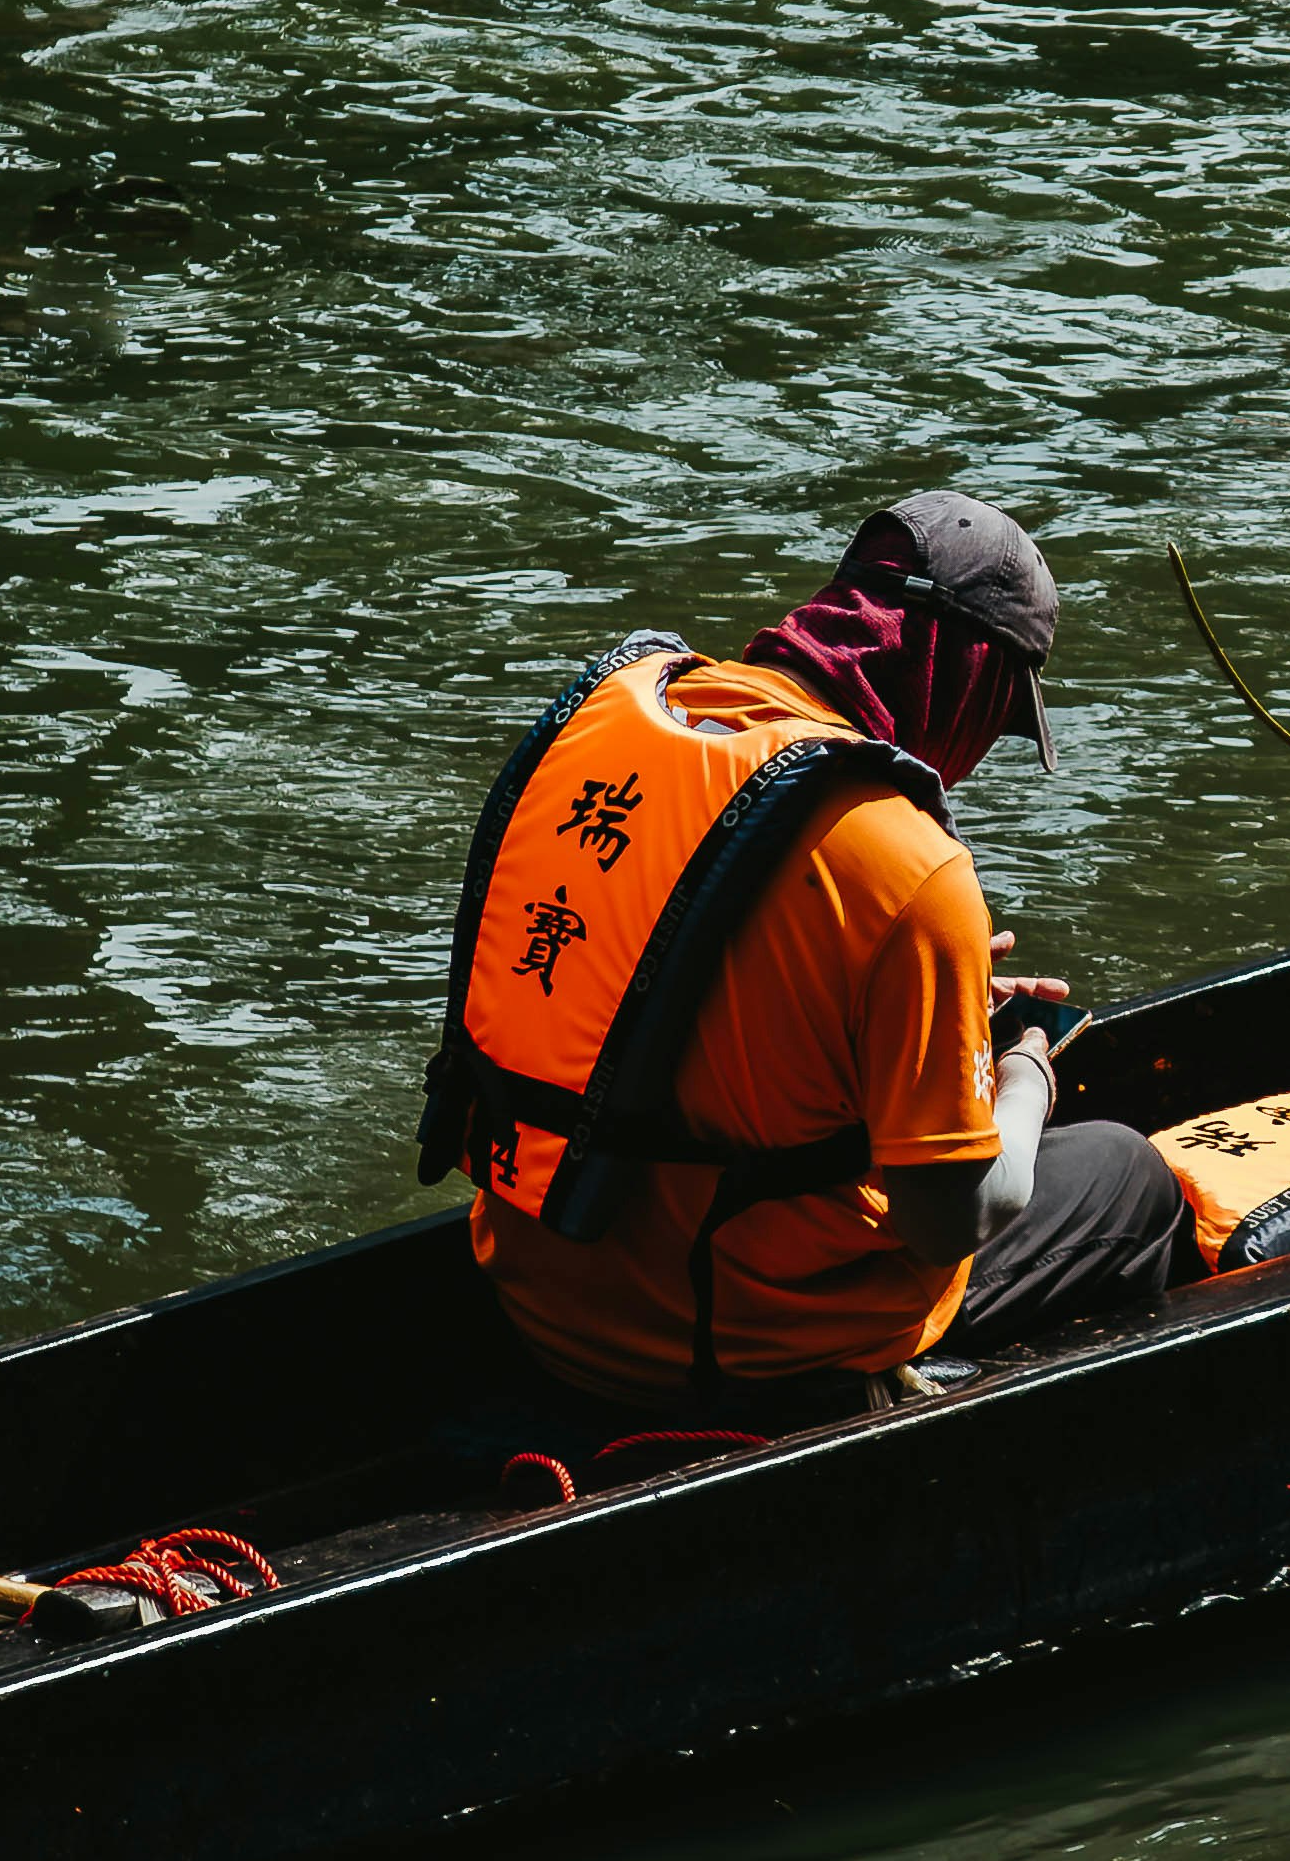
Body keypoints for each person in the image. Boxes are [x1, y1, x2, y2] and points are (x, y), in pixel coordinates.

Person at [422, 489, 1186, 1411]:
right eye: (995, 717)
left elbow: (666, 986)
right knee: (1125, 1175)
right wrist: (1023, 1075)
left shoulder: (623, 727)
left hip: (535, 1294)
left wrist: (924, 1000)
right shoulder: (909, 865)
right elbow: (953, 1220)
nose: (978, 759)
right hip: (723, 1356)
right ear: (964, 677)